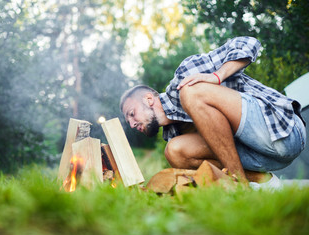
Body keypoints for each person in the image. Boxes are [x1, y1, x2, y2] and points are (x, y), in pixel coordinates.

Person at [120, 36, 307, 189]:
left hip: (283, 131)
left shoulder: (183, 78)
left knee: (190, 90)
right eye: (128, 121)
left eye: (131, 114)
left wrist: (217, 76)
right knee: (174, 152)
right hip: (262, 159)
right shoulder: (174, 135)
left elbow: (247, 43)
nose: (132, 124)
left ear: (148, 99)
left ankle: (239, 184)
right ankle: (256, 181)